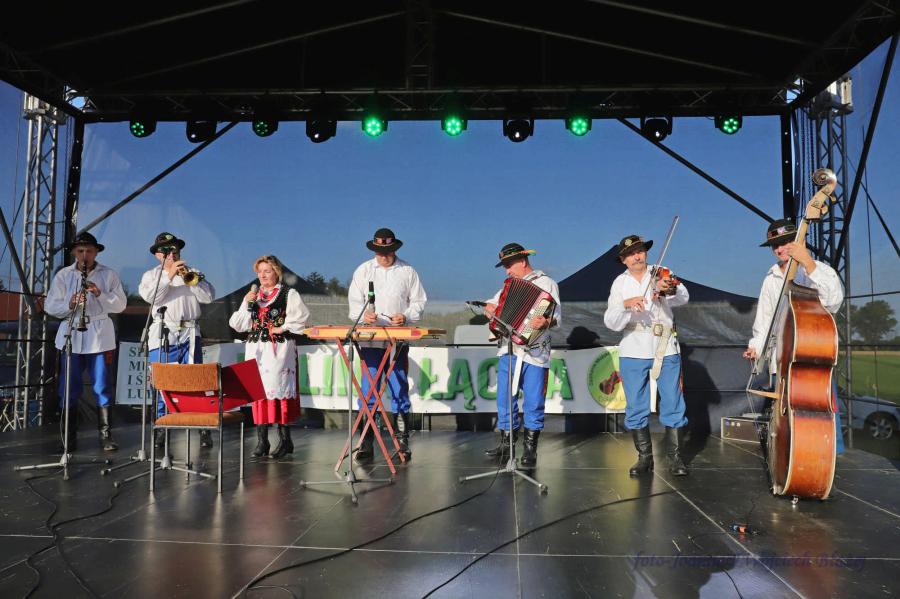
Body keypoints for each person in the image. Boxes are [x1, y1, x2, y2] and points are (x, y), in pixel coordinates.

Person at [742, 218, 845, 453]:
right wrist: (756, 347)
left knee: (823, 416)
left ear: (800, 241)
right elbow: (764, 321)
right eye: (775, 245)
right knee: (784, 420)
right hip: (782, 359)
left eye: (786, 242)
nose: (780, 249)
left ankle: (828, 460)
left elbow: (833, 302)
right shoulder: (770, 278)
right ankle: (788, 461)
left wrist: (808, 263)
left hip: (811, 357)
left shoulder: (819, 270)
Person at [604, 234, 690, 477]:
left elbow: (683, 297)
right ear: (623, 260)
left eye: (640, 251)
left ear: (645, 252)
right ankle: (644, 458)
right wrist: (627, 305)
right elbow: (611, 321)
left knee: (673, 401)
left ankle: (675, 457)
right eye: (631, 254)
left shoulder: (662, 272)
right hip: (633, 347)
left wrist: (668, 290)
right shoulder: (619, 283)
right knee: (636, 404)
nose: (637, 256)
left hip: (665, 346)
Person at [347, 227, 427, 462]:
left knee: (398, 386)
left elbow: (419, 301)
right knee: (369, 388)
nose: (384, 255)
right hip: (371, 339)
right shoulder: (363, 270)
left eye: (388, 250)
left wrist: (406, 315)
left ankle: (402, 440)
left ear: (394, 249)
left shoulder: (407, 271)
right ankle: (366, 440)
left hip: (397, 338)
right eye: (380, 251)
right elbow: (354, 305)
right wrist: (364, 315)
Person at [45, 232, 127, 452]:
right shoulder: (63, 275)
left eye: (89, 251)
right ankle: (68, 437)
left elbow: (120, 305)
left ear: (96, 252)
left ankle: (105, 436)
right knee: (68, 387)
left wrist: (100, 294)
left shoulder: (108, 275)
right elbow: (50, 306)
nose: (84, 255)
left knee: (102, 385)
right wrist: (70, 303)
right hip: (71, 334)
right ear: (74, 252)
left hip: (99, 337)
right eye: (80, 251)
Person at [483, 242, 561, 468]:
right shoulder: (508, 286)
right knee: (505, 398)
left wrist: (545, 321)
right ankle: (506, 443)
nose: (507, 271)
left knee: (534, 401)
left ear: (522, 261)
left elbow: (557, 317)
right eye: (505, 266)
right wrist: (489, 308)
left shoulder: (547, 283)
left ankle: (530, 448)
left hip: (535, 351)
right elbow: (492, 304)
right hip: (509, 350)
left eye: (509, 265)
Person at [139, 232, 216, 449]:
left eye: (174, 249)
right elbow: (151, 298)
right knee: (163, 381)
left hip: (190, 332)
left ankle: (202, 426)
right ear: (157, 255)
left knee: (195, 381)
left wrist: (191, 280)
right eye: (165, 250)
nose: (171, 254)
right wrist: (169, 275)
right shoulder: (151, 276)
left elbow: (208, 297)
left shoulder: (193, 271)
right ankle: (162, 427)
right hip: (164, 331)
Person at [229, 255, 310, 459]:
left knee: (278, 390)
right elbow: (238, 324)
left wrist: (282, 327)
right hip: (256, 349)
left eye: (267, 271)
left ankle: (285, 440)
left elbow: (301, 318)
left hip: (278, 349)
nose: (262, 275)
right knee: (258, 392)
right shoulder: (253, 297)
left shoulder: (288, 293)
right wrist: (247, 302)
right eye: (259, 272)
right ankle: (262, 441)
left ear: (276, 272)